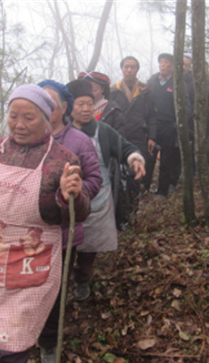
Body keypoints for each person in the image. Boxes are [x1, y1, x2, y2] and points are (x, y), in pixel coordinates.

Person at [0, 84, 90, 363]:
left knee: (11, 343)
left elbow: (79, 213)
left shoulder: (62, 159)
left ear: (46, 119)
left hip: (29, 264)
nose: (18, 125)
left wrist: (68, 195)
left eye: (28, 118)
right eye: (13, 116)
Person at [36, 79, 103, 363]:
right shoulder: (26, 139)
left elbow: (94, 179)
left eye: (51, 104)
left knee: (54, 290)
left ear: (65, 107)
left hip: (62, 234)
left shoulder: (78, 141)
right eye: (40, 102)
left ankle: (48, 343)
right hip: (28, 234)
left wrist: (75, 194)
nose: (45, 109)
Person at [66, 79, 145, 302]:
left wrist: (134, 159)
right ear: (70, 106)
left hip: (98, 199)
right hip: (66, 200)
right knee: (66, 245)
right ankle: (61, 282)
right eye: (80, 104)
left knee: (90, 246)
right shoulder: (62, 133)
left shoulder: (104, 130)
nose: (86, 109)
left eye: (90, 104)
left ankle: (82, 280)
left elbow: (126, 147)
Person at [110, 56, 157, 195]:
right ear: (122, 69)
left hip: (139, 135)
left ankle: (135, 200)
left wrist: (152, 137)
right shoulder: (114, 91)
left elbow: (152, 116)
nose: (129, 70)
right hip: (119, 134)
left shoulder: (145, 91)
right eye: (126, 67)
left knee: (137, 168)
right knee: (119, 168)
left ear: (137, 69)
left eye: (132, 67)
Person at [147, 53, 191, 198]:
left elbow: (186, 107)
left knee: (166, 160)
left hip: (169, 126)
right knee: (149, 157)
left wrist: (178, 125)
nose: (163, 65)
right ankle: (145, 187)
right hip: (152, 125)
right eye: (161, 62)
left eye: (166, 62)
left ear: (172, 66)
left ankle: (162, 191)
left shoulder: (178, 83)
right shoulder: (152, 81)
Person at [77, 71, 126, 137]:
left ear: (102, 89)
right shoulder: (74, 109)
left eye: (94, 90)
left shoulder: (113, 111)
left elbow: (119, 139)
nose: (89, 93)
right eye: (85, 89)